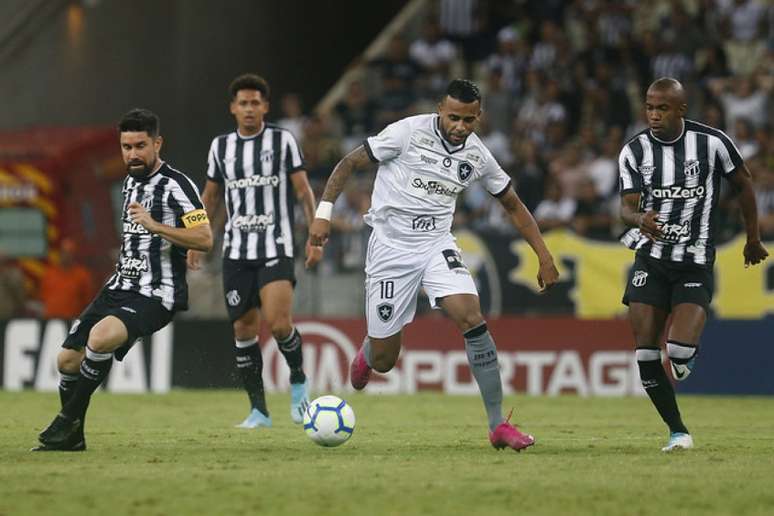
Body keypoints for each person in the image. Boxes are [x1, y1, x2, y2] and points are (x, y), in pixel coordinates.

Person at [308, 79, 560, 452]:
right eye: (454, 117)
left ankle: (498, 425)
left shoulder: (477, 155)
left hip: (436, 244)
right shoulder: (407, 132)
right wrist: (323, 215)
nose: (460, 127)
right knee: (385, 359)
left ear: (479, 117)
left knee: (471, 316)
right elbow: (349, 163)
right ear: (440, 109)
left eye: (469, 120)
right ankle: (368, 353)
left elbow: (513, 205)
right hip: (390, 250)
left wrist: (543, 254)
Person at [34, 108, 213, 451]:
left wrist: (157, 226)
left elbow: (205, 238)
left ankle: (65, 420)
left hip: (156, 294)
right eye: (126, 146)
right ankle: (72, 437)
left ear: (157, 144)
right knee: (66, 361)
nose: (132, 154)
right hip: (119, 287)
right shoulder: (130, 181)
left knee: (100, 339)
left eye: (140, 146)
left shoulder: (177, 185)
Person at [618, 77, 768, 452]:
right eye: (650, 107)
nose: (654, 115)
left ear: (681, 109)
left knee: (679, 352)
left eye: (662, 108)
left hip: (695, 261)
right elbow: (625, 206)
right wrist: (639, 220)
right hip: (650, 260)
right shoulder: (634, 151)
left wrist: (753, 238)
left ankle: (687, 354)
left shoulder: (712, 142)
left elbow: (744, 185)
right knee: (646, 351)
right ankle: (678, 431)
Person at [188, 74, 320, 429]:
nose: (249, 109)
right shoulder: (221, 147)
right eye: (242, 103)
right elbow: (210, 197)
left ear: (265, 106)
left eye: (255, 103)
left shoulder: (282, 141)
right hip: (235, 251)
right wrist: (196, 237)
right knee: (244, 331)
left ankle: (297, 383)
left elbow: (304, 190)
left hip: (276, 245)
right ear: (233, 108)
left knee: (278, 324)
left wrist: (315, 234)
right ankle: (259, 411)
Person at [39, 238, 94, 319]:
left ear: (74, 255)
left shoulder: (82, 275)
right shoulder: (49, 274)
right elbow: (42, 298)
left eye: (70, 252)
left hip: (72, 321)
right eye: (64, 252)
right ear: (60, 253)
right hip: (50, 321)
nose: (66, 256)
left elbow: (88, 301)